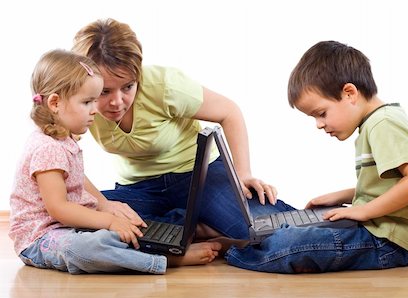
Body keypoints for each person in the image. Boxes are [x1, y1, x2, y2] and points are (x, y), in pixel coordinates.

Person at [71, 18, 295, 240]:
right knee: (82, 225)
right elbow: (64, 159)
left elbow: (229, 112)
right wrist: (102, 204)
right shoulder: (74, 101)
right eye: (104, 92)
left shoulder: (164, 85)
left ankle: (184, 229)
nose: (117, 102)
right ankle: (193, 228)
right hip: (139, 189)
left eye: (128, 86)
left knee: (266, 230)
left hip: (199, 177)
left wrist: (242, 174)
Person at [224, 40, 408, 273]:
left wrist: (362, 210)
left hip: (387, 242)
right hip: (377, 229)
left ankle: (235, 249)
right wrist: (342, 196)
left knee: (290, 243)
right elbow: (390, 183)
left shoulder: (383, 124)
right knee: (302, 226)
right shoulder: (376, 123)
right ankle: (248, 242)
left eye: (321, 114)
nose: (319, 124)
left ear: (349, 93)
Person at [8, 49, 221, 275]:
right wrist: (108, 221)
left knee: (121, 226)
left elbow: (75, 177)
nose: (94, 110)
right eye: (88, 102)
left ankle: (180, 231)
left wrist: (107, 210)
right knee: (87, 249)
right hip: (41, 237)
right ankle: (165, 260)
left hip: (65, 228)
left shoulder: (61, 139)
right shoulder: (47, 147)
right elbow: (58, 208)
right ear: (54, 103)